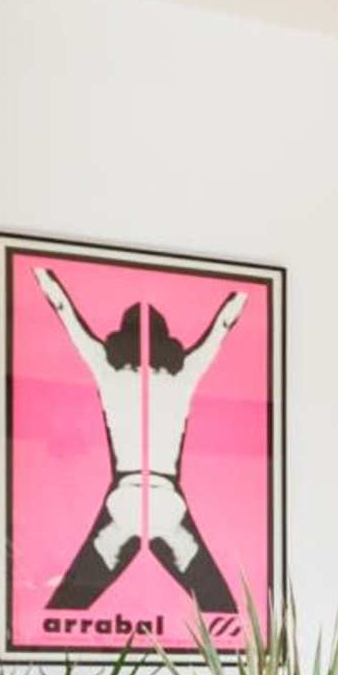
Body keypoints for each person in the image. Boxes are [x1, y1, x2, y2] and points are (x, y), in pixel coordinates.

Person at [33, 264, 249, 616]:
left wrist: (42, 275)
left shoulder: (108, 369)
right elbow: (222, 327)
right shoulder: (183, 375)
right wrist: (245, 292)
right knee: (221, 609)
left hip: (126, 497)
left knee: (67, 609)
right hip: (168, 499)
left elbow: (65, 313)